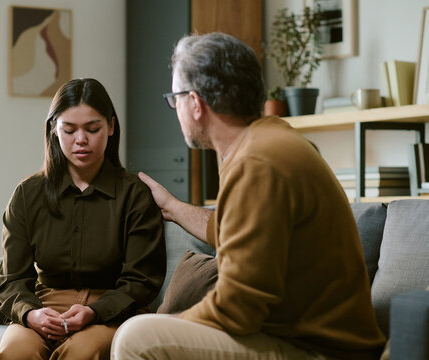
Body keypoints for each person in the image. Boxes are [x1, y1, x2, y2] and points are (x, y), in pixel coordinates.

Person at [111, 33, 386, 360]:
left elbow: (237, 309)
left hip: (320, 351)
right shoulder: (268, 141)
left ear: (195, 103)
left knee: (137, 338)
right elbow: (234, 231)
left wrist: (171, 323)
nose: (175, 109)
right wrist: (171, 207)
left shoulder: (256, 163)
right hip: (304, 340)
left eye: (175, 98)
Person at [0, 78, 166, 360]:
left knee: (82, 352)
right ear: (54, 130)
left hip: (113, 311)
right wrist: (30, 313)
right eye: (69, 130)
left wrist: (95, 311)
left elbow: (143, 280)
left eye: (93, 129)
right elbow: (12, 279)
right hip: (45, 306)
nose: (81, 139)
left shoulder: (135, 195)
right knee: (17, 351)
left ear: (111, 127)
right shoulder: (27, 194)